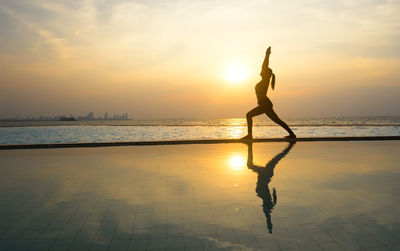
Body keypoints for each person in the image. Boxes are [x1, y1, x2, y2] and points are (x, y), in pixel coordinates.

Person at [241, 46, 296, 139]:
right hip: (265, 104)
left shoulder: (265, 80)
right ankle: (292, 134)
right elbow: (264, 67)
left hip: (265, 104)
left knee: (248, 115)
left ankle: (250, 135)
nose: (261, 70)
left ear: (266, 73)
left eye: (263, 70)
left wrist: (267, 55)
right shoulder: (263, 81)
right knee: (277, 120)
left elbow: (264, 66)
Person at [246, 141, 295, 233]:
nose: (263, 206)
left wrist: (274, 193)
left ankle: (250, 147)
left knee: (276, 159)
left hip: (266, 174)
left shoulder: (266, 199)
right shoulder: (264, 198)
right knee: (276, 159)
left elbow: (275, 200)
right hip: (266, 174)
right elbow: (267, 216)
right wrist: (269, 226)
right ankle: (249, 147)